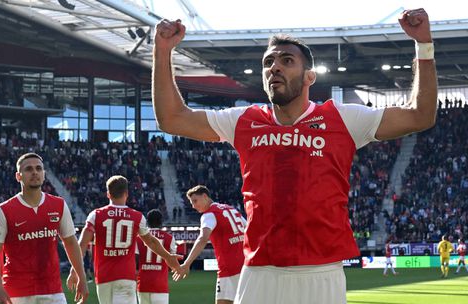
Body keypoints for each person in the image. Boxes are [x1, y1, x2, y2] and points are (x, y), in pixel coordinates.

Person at [152, 8, 436, 303]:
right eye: (268, 62)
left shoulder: (342, 118)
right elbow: (173, 119)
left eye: (287, 61)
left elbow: (420, 115)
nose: (275, 67)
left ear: (309, 76)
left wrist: (423, 45)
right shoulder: (243, 121)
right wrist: (162, 51)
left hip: (321, 274)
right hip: (259, 273)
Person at [0, 152, 88, 304]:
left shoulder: (59, 205)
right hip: (16, 292)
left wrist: (82, 277)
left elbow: (71, 242)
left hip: (52, 291)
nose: (34, 172)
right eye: (28, 169)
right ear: (18, 176)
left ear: (44, 174)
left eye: (38, 168)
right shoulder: (4, 210)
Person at [67, 176, 181, 304]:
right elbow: (151, 241)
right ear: (126, 193)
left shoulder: (95, 215)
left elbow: (82, 243)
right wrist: (168, 256)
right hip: (125, 276)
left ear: (108, 194)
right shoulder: (137, 217)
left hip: (103, 277)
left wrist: (74, 270)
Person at [173, 185, 245, 304]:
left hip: (229, 269)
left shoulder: (209, 214)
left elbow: (202, 238)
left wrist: (186, 264)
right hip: (245, 266)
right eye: (191, 203)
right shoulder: (231, 209)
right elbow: (249, 230)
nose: (193, 206)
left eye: (195, 201)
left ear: (205, 196)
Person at [136, 209, 177, 304]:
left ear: (147, 221)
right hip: (160, 284)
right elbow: (172, 263)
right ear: (161, 221)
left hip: (143, 283)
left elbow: (135, 262)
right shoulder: (169, 238)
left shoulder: (138, 238)